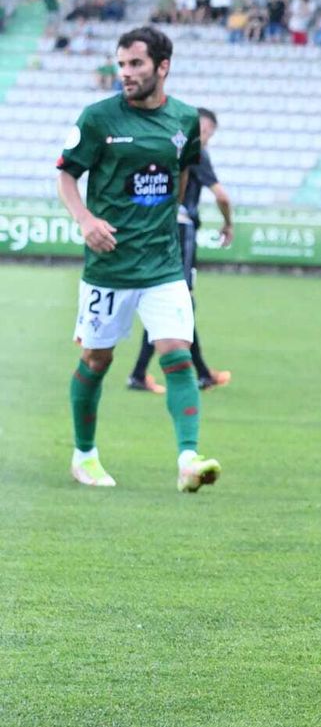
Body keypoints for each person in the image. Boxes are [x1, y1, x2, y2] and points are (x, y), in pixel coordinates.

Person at [54, 26, 221, 492]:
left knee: (177, 354)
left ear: (162, 67)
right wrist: (86, 220)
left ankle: (188, 459)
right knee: (97, 358)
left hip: (163, 265)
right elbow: (66, 177)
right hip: (109, 268)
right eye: (122, 64)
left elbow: (182, 175)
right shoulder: (98, 119)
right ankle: (83, 455)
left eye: (136, 65)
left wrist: (165, 223)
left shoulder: (185, 120)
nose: (125, 73)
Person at [127, 107, 234, 395]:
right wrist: (228, 224)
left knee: (174, 301)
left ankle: (197, 373)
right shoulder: (195, 152)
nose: (205, 136)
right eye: (203, 129)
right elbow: (222, 196)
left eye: (209, 132)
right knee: (175, 301)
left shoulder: (167, 147)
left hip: (158, 227)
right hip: (180, 228)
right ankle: (188, 374)